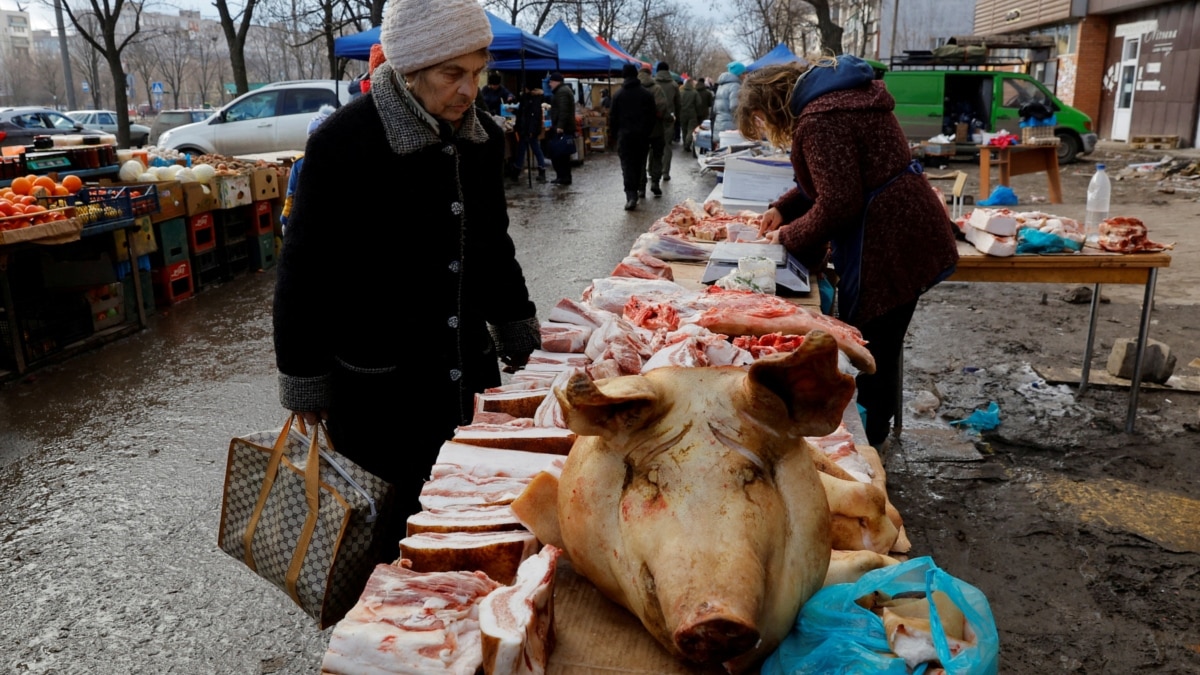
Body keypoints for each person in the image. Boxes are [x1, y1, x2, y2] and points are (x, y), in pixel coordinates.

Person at [273, 0, 542, 523]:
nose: (468, 89)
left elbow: (492, 243)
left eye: (477, 73)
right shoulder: (343, 143)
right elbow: (304, 272)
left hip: (469, 376)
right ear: (411, 69)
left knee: (472, 519)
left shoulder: (481, 138)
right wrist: (304, 377)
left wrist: (516, 326)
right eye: (452, 74)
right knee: (390, 537)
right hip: (381, 392)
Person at [736, 56, 958, 450]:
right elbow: (829, 180)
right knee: (878, 341)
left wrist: (788, 236)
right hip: (901, 229)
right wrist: (783, 209)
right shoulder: (836, 100)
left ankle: (868, 448)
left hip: (887, 239)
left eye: (760, 121)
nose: (767, 130)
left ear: (770, 107)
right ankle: (872, 435)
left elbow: (839, 202)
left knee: (871, 347)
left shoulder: (821, 119)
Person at [608, 63, 657, 211]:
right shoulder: (646, 94)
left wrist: (614, 135)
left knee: (627, 166)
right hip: (642, 136)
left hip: (625, 137)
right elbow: (652, 116)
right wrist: (647, 132)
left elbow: (613, 118)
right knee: (640, 164)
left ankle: (631, 196)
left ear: (624, 76)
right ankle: (638, 189)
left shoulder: (618, 95)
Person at [279, 104, 335, 233]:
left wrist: (285, 220)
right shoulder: (300, 163)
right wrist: (285, 219)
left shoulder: (300, 162)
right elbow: (291, 195)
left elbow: (291, 194)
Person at [637, 65, 670, 198]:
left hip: (639, 131)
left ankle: (641, 188)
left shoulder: (634, 88)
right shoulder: (656, 88)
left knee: (640, 159)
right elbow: (662, 106)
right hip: (656, 129)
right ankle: (655, 182)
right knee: (657, 156)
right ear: (650, 74)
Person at [507, 78, 547, 183]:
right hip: (524, 129)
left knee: (534, 149)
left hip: (528, 130)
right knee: (524, 150)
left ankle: (539, 170)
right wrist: (515, 111)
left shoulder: (534, 99)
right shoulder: (526, 98)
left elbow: (533, 117)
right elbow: (523, 113)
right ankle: (519, 170)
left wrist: (531, 130)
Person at [652, 61, 680, 180]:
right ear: (668, 70)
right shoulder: (674, 84)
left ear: (657, 70)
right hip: (669, 118)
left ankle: (652, 170)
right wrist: (676, 117)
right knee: (667, 145)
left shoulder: (653, 83)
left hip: (654, 119)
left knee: (653, 145)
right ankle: (665, 172)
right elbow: (678, 103)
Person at [547, 72, 576, 186]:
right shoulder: (563, 91)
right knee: (562, 154)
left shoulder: (562, 92)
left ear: (556, 82)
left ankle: (563, 177)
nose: (549, 84)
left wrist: (560, 126)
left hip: (563, 128)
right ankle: (563, 176)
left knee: (560, 154)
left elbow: (563, 111)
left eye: (551, 82)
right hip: (565, 126)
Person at [713, 61, 744, 135]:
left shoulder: (721, 86)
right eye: (744, 73)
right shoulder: (735, 86)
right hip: (731, 126)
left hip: (719, 124)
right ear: (739, 74)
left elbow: (715, 108)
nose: (745, 76)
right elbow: (735, 107)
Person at [678, 78, 701, 153]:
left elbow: (677, 102)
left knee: (684, 129)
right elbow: (699, 103)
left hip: (682, 112)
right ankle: (688, 143)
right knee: (690, 129)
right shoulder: (695, 92)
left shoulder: (681, 92)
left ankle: (685, 143)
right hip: (692, 113)